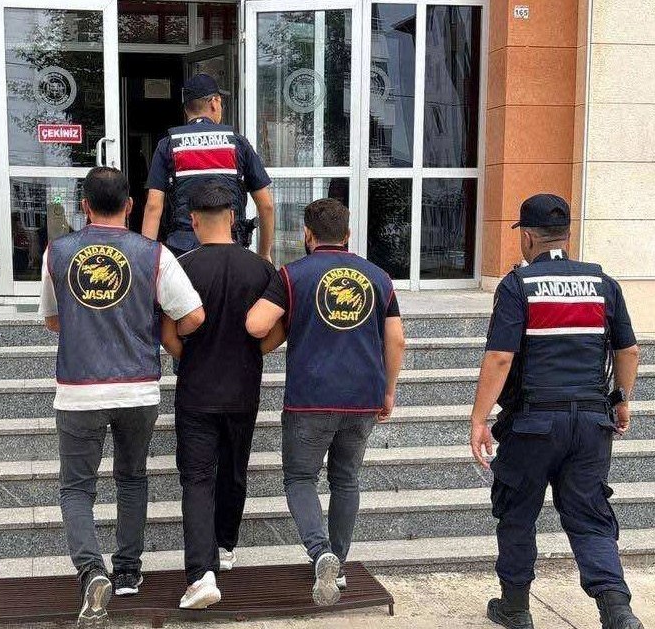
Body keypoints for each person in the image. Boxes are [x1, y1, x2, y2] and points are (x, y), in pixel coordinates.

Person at [39, 167, 205, 627]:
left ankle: (92, 571)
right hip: (138, 387)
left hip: (78, 390)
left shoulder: (57, 252)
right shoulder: (154, 254)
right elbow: (193, 315)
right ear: (130, 206)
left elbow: (52, 320)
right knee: (132, 478)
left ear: (84, 207)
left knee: (77, 487)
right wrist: (156, 328)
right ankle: (128, 571)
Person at [468, 194, 643, 629]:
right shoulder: (603, 284)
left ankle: (515, 608)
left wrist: (479, 418)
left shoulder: (518, 285)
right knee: (590, 516)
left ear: (527, 237)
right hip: (591, 422)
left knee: (517, 513)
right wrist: (622, 399)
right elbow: (629, 350)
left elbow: (500, 358)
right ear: (567, 235)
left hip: (532, 425)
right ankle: (617, 610)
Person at [246, 198, 406, 607]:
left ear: (307, 234)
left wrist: (290, 318)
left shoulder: (292, 275)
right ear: (348, 235)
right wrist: (388, 391)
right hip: (364, 397)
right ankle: (340, 564)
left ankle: (321, 554)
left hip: (310, 399)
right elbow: (397, 339)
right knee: (346, 480)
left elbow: (256, 325)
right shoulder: (379, 278)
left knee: (300, 479)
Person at [159, 183, 284, 610]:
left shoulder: (180, 266)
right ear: (232, 218)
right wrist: (251, 354)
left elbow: (168, 336)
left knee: (197, 479)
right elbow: (277, 331)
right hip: (243, 390)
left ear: (193, 221)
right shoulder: (262, 269)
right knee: (234, 471)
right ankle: (226, 546)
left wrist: (192, 357)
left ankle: (200, 574)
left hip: (196, 392)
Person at [142, 73, 275, 259]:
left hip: (183, 251)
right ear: (214, 102)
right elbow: (266, 205)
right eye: (221, 103)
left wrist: (147, 261)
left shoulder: (168, 145)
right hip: (230, 248)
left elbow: (153, 206)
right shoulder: (237, 143)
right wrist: (264, 254)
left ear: (186, 109)